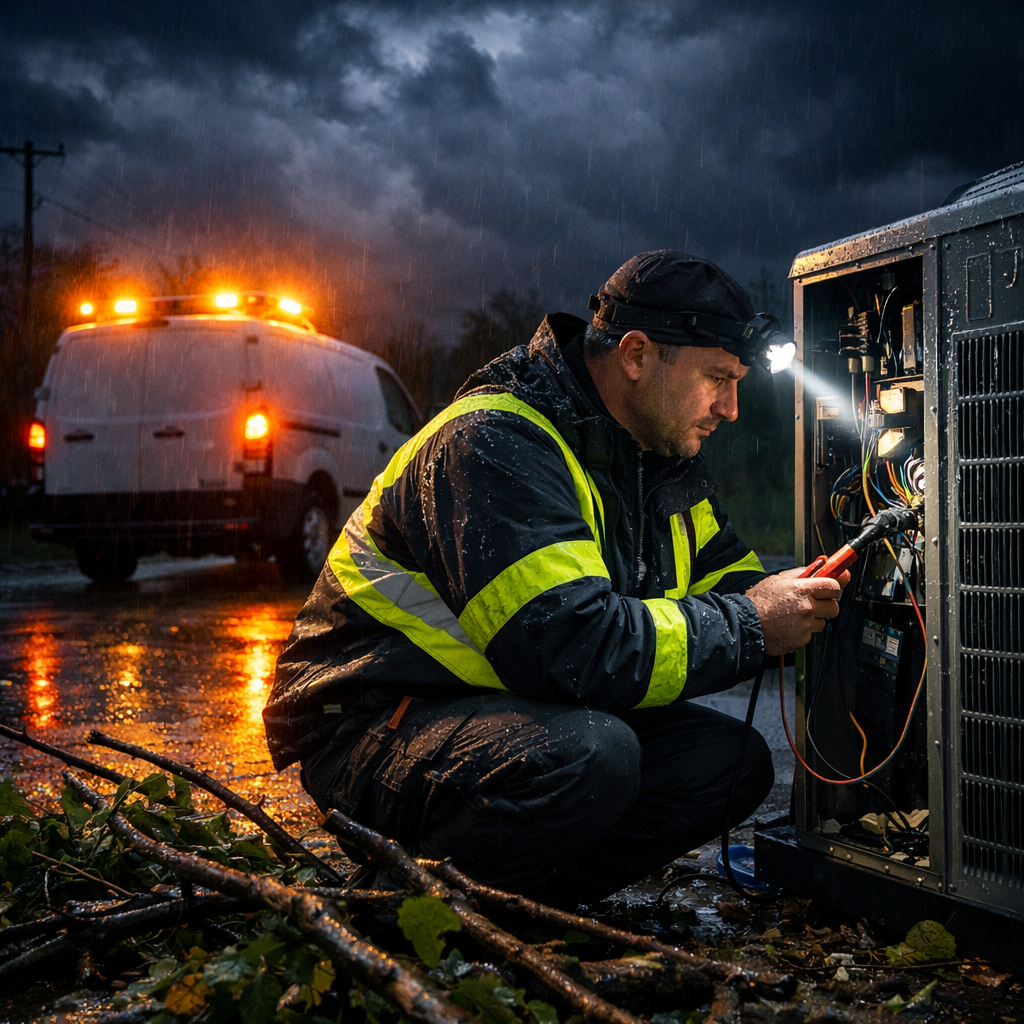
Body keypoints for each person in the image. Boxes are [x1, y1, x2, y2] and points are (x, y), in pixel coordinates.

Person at [263, 250, 847, 907]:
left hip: (487, 713)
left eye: (737, 381)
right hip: (368, 720)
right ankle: (402, 912)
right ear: (636, 355)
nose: (731, 407)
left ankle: (521, 907)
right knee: (591, 756)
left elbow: (733, 580)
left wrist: (808, 594)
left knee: (730, 762)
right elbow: (571, 648)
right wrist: (752, 625)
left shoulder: (656, 458)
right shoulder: (495, 442)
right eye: (717, 377)